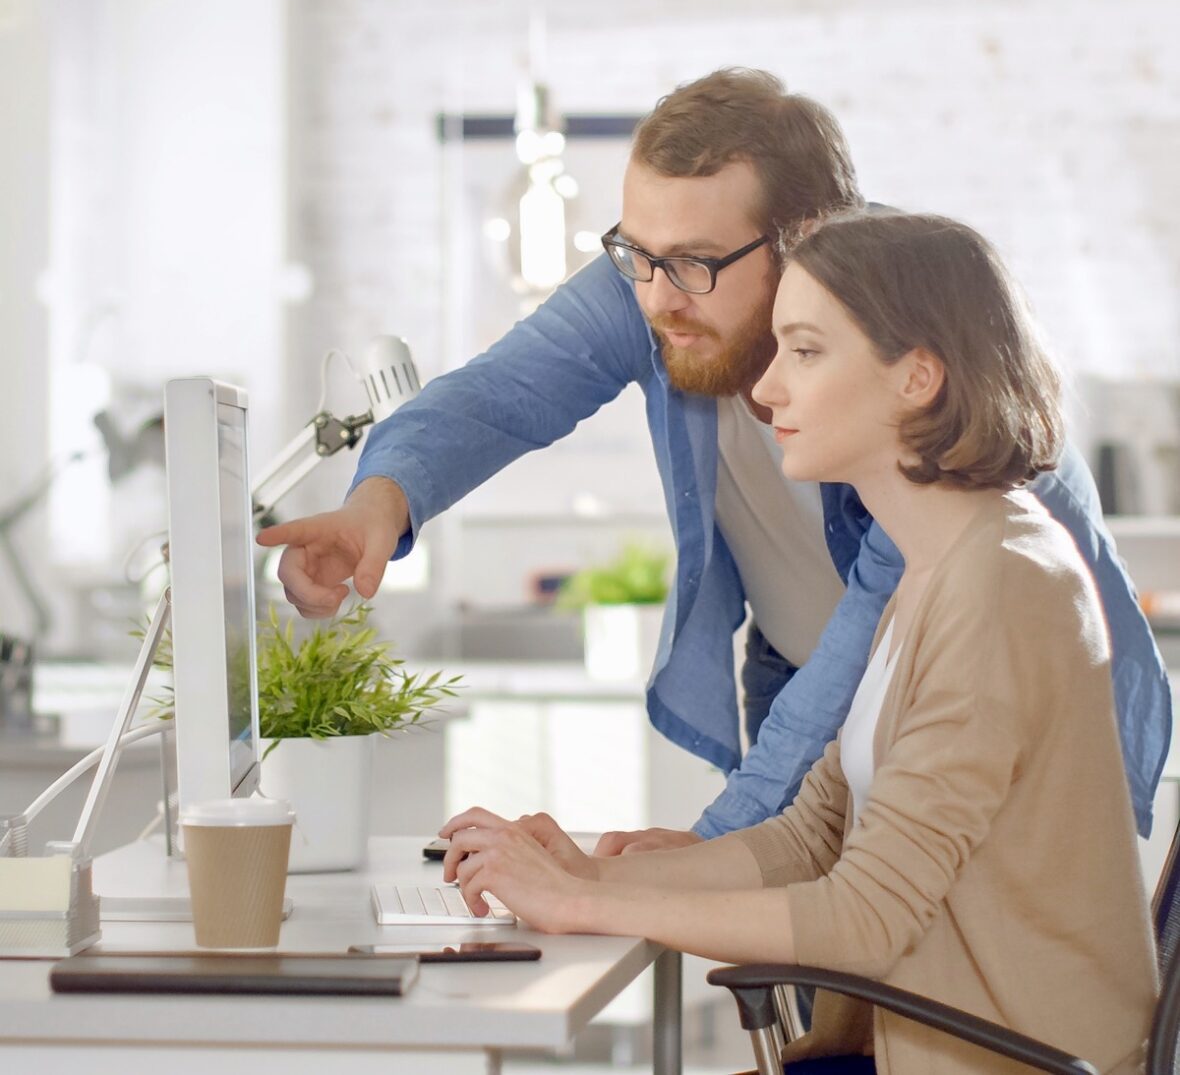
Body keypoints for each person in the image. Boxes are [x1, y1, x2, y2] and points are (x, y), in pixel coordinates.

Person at [256, 68, 1170, 851]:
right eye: (637, 255)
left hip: (1005, 719)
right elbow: (500, 393)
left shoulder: (914, 351)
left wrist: (715, 846)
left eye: (694, 263)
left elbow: (867, 638)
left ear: (809, 236)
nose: (657, 298)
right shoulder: (659, 284)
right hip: (807, 674)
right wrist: (382, 499)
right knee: (821, 1020)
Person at [439, 212, 1157, 1075]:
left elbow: (863, 919)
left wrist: (576, 904)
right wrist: (590, 880)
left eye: (806, 352)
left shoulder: (1000, 582)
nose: (766, 389)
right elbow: (810, 836)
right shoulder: (937, 562)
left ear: (917, 377)